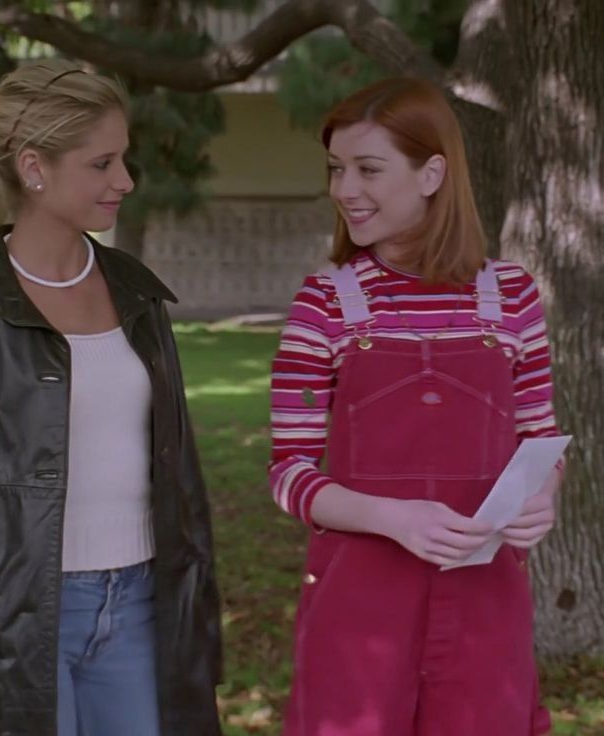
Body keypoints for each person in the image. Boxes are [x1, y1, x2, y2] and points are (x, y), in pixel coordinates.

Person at [0, 59, 222, 736]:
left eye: (123, 159)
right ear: (36, 168)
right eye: (102, 163)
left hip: (142, 609)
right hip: (26, 630)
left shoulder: (139, 294)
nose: (124, 181)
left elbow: (182, 485)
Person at [269, 77, 563, 736]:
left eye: (368, 169)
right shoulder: (324, 303)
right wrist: (392, 517)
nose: (345, 189)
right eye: (337, 169)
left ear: (432, 173)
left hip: (487, 608)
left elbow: (540, 440)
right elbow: (289, 473)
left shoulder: (511, 297)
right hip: (359, 609)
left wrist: (541, 497)